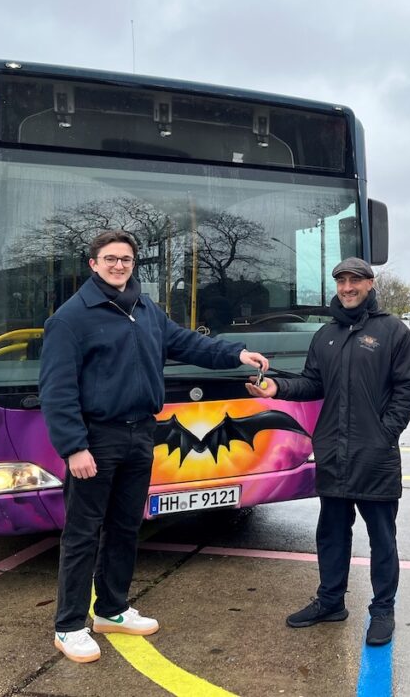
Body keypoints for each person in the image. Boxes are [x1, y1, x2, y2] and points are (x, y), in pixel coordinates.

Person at [40, 229, 269, 663]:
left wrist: (237, 355)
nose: (119, 266)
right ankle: (69, 626)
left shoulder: (145, 309)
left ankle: (112, 609)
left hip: (141, 433)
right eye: (110, 259)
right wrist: (73, 447)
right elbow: (57, 390)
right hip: (96, 439)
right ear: (93, 264)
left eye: (126, 259)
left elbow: (187, 342)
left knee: (127, 526)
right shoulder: (71, 319)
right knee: (82, 534)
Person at [245, 256, 410, 646]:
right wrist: (277, 387)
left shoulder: (393, 332)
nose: (347, 288)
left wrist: (385, 432)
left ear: (370, 284)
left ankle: (382, 610)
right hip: (333, 455)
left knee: (382, 538)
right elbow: (312, 383)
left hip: (374, 456)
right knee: (331, 534)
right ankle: (330, 602)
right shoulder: (325, 335)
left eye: (355, 281)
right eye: (341, 281)